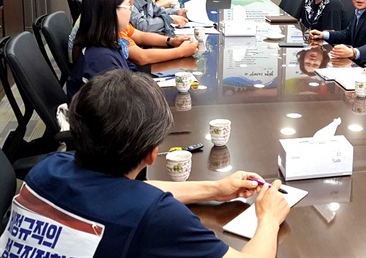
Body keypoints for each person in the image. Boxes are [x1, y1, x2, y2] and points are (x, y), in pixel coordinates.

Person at [1, 70, 290, 257]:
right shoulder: (156, 218)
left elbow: (131, 194)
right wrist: (268, 219)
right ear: (153, 153)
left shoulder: (47, 168)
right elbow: (141, 202)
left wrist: (216, 189)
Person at [68, 0, 198, 68]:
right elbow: (141, 57)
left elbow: (139, 35)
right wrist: (182, 52)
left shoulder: (107, 18)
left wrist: (171, 41)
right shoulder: (103, 27)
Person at [67, 0, 130, 100]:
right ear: (110, 11)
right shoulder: (101, 59)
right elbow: (119, 108)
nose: (130, 10)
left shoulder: (103, 44)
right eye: (128, 6)